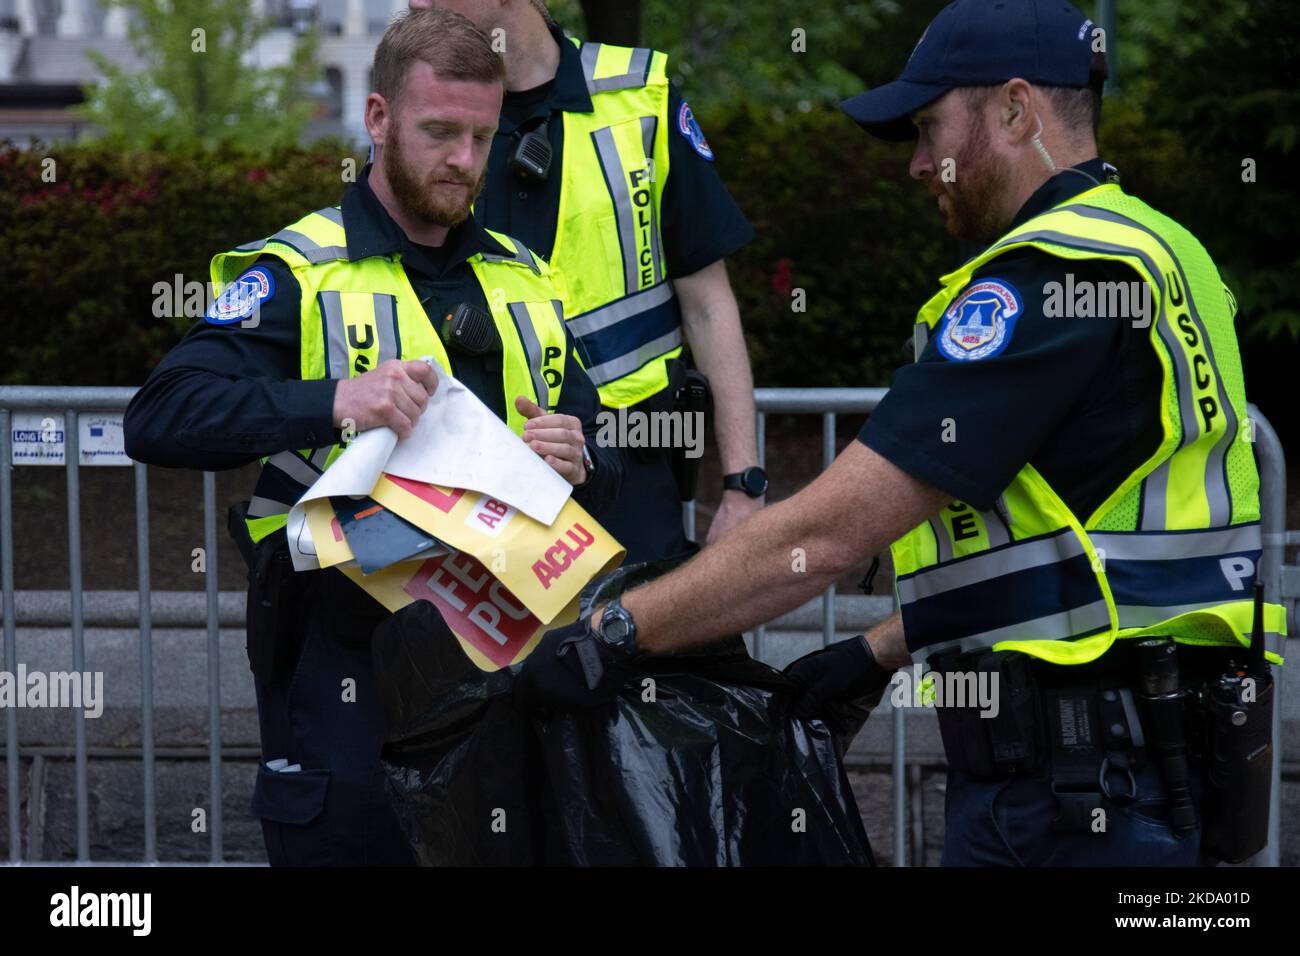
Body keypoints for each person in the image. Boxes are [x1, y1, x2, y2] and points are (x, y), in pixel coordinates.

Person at [513, 0, 1286, 866]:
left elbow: (834, 530)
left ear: (1016, 110)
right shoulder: (1161, 246)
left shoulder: (1050, 278)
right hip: (1131, 771)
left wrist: (617, 631)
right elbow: (1083, 547)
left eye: (929, 128)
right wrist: (877, 652)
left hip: (1070, 798)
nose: (919, 164)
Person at [123, 7, 621, 866]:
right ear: (379, 118)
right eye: (438, 132)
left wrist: (583, 456)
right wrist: (332, 401)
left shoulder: (524, 278)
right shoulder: (302, 270)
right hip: (342, 668)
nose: (464, 162)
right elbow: (160, 417)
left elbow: (593, 447)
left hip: (503, 668)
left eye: (480, 136)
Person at [408, 0, 766, 562]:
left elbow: (708, 304)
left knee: (640, 645)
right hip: (474, 474)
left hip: (634, 471)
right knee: (484, 654)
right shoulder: (425, 111)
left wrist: (744, 484)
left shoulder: (640, 96)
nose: (415, 4)